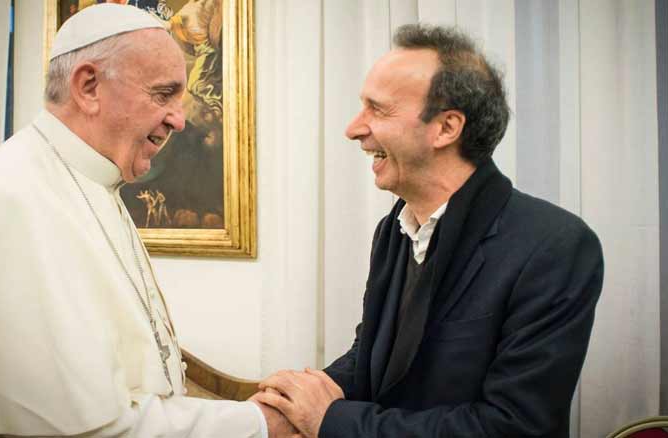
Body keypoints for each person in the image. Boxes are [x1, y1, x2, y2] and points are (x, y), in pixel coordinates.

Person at [0, 4, 294, 437]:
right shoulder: (12, 201)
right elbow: (81, 428)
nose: (179, 119)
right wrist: (257, 424)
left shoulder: (93, 182)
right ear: (89, 86)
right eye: (163, 94)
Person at [254, 24, 604, 438]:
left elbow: (514, 427)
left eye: (377, 109)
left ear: (446, 128)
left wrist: (330, 420)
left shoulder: (555, 245)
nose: (353, 129)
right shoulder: (394, 229)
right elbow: (372, 357)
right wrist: (292, 400)